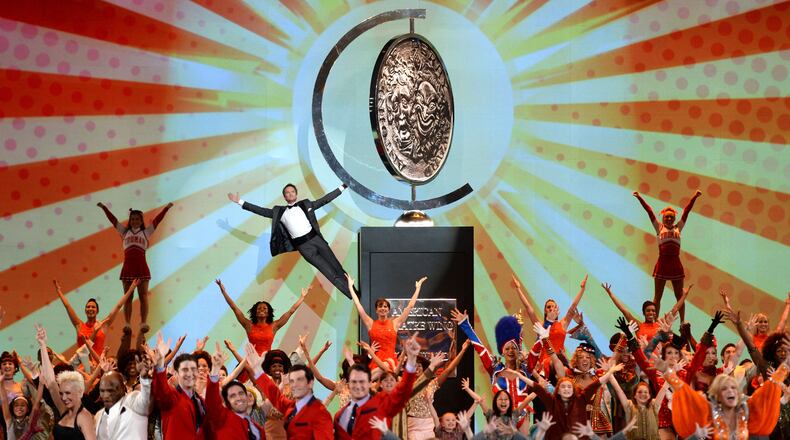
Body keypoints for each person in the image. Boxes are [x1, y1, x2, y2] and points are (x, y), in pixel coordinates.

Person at [227, 183, 352, 298]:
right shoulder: (279, 212)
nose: (290, 193)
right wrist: (240, 202)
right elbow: (261, 211)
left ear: (296, 194)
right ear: (284, 197)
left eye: (292, 191)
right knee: (329, 273)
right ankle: (352, 296)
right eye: (287, 192)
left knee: (338, 268)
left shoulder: (306, 204)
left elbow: (325, 200)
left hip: (316, 239)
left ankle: (357, 294)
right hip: (305, 248)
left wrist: (342, 187)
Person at [97, 201, 174, 332]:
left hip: (141, 268)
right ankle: (127, 323)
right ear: (130, 220)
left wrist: (166, 208)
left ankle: (143, 322)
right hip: (128, 268)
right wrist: (104, 208)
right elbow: (113, 220)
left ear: (141, 220)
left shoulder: (146, 232)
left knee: (143, 296)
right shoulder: (124, 232)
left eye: (137, 219)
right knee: (128, 297)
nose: (134, 221)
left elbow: (157, 220)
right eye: (132, 219)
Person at [333, 334, 421, 439]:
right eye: (354, 382)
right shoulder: (340, 416)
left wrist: (411, 361)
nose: (358, 386)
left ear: (370, 383)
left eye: (362, 382)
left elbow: (404, 389)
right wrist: (350, 361)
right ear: (349, 385)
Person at [632, 190, 701, 321]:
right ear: (663, 218)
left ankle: (682, 322)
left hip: (675, 264)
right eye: (666, 217)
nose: (669, 219)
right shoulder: (659, 227)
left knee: (679, 295)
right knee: (658, 296)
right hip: (662, 264)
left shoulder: (678, 228)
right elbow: (650, 211)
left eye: (671, 217)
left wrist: (695, 197)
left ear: (674, 218)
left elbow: (686, 211)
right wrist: (639, 198)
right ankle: (654, 321)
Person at [243, 343, 334, 439]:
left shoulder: (318, 412)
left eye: (300, 380)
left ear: (310, 384)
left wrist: (318, 352)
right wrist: (256, 369)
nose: (295, 385)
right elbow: (274, 394)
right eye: (274, 366)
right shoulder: (288, 404)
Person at [347, 274, 427, 370]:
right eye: (380, 306)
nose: (382, 308)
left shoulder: (395, 323)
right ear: (376, 310)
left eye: (385, 306)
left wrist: (418, 288)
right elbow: (358, 306)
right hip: (375, 363)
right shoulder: (371, 323)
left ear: (388, 310)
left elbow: (410, 307)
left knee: (387, 368)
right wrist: (350, 287)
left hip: (390, 363)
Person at [215, 279, 310, 354]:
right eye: (259, 308)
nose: (261, 310)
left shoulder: (274, 326)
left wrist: (302, 298)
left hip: (267, 363)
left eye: (264, 308)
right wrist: (224, 292)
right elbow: (234, 308)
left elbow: (291, 311)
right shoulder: (248, 325)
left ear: (268, 313)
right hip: (251, 363)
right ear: (255, 313)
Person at [36, 325, 97, 440]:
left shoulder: (84, 417)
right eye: (62, 393)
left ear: (79, 392)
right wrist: (43, 345)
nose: (63, 398)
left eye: (68, 393)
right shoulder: (64, 410)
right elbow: (51, 382)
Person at [144, 332, 206, 440]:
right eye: (184, 370)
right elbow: (161, 389)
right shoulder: (171, 397)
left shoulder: (200, 402)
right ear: (176, 374)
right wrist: (160, 364)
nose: (189, 373)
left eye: (193, 369)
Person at [513, 274, 589, 362]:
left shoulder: (563, 323)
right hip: (544, 366)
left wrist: (582, 289)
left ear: (557, 309)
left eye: (554, 306)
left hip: (560, 364)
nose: (551, 308)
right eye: (549, 307)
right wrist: (518, 289)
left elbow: (573, 306)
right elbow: (528, 308)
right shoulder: (540, 326)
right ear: (545, 310)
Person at [53, 279, 137, 356]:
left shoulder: (103, 325)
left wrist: (131, 289)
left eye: (93, 307)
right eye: (88, 307)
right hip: (81, 367)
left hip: (97, 366)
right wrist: (58, 291)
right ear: (85, 310)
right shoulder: (79, 325)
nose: (90, 309)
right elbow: (67, 306)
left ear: (97, 311)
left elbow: (118, 306)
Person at [203, 343, 264, 440]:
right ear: (227, 402)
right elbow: (212, 403)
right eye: (232, 396)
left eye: (240, 393)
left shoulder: (258, 429)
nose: (238, 398)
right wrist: (215, 369)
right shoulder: (222, 418)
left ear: (247, 397)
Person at [600, 282, 691, 342]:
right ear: (644, 313)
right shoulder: (638, 326)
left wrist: (684, 295)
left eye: (653, 311)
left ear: (656, 313)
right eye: (648, 311)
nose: (651, 313)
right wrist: (610, 294)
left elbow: (675, 309)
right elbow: (624, 311)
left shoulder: (660, 324)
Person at [94, 361, 152, 440]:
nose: (106, 395)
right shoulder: (98, 416)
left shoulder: (132, 401)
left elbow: (146, 403)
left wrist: (145, 379)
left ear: (122, 388)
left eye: (110, 390)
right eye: (102, 391)